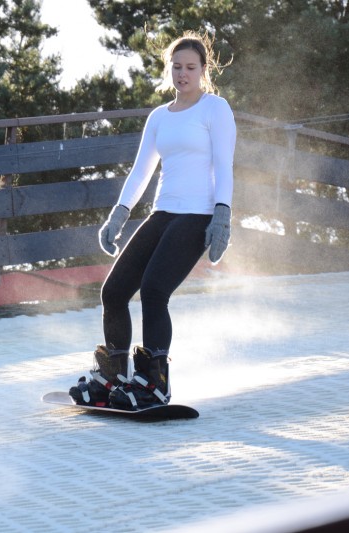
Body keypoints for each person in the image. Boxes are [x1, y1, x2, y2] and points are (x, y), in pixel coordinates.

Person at [70, 32, 236, 410]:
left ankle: (155, 383)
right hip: (164, 212)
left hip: (197, 214)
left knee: (154, 290)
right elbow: (142, 169)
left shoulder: (215, 109)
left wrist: (222, 213)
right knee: (113, 292)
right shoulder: (159, 116)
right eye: (176, 67)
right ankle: (114, 375)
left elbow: (224, 165)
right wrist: (120, 213)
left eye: (190, 68)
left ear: (203, 70)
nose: (182, 74)